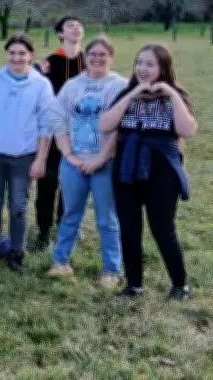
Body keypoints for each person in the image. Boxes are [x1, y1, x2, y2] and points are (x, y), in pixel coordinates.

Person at [99, 44, 197, 300]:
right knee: (129, 228)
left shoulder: (176, 95)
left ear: (163, 68)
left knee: (163, 228)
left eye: (150, 64)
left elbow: (187, 130)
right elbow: (105, 125)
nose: (143, 69)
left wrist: (171, 94)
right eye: (139, 63)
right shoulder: (126, 93)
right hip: (126, 169)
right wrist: (133, 95)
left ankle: (180, 284)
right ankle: (134, 285)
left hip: (162, 170)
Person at [45, 36, 126, 289]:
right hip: (73, 164)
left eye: (103, 54)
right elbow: (57, 120)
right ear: (85, 58)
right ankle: (60, 262)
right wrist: (69, 155)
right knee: (71, 213)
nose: (97, 59)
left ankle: (111, 269)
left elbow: (121, 127)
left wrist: (102, 158)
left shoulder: (121, 86)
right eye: (92, 54)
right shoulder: (72, 86)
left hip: (106, 164)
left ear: (111, 57)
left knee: (107, 219)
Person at [0, 34, 55, 272]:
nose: (17, 58)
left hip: (24, 157)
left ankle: (17, 251)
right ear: (7, 54)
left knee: (18, 206)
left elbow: (45, 125)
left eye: (22, 53)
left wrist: (41, 158)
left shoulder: (41, 85)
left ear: (31, 56)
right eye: (12, 53)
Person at [32, 16, 86, 252]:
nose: (76, 28)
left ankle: (69, 225)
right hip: (53, 133)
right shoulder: (50, 62)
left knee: (74, 184)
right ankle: (44, 230)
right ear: (60, 34)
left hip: (82, 133)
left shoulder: (89, 61)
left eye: (79, 25)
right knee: (48, 182)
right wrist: (36, 71)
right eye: (70, 26)